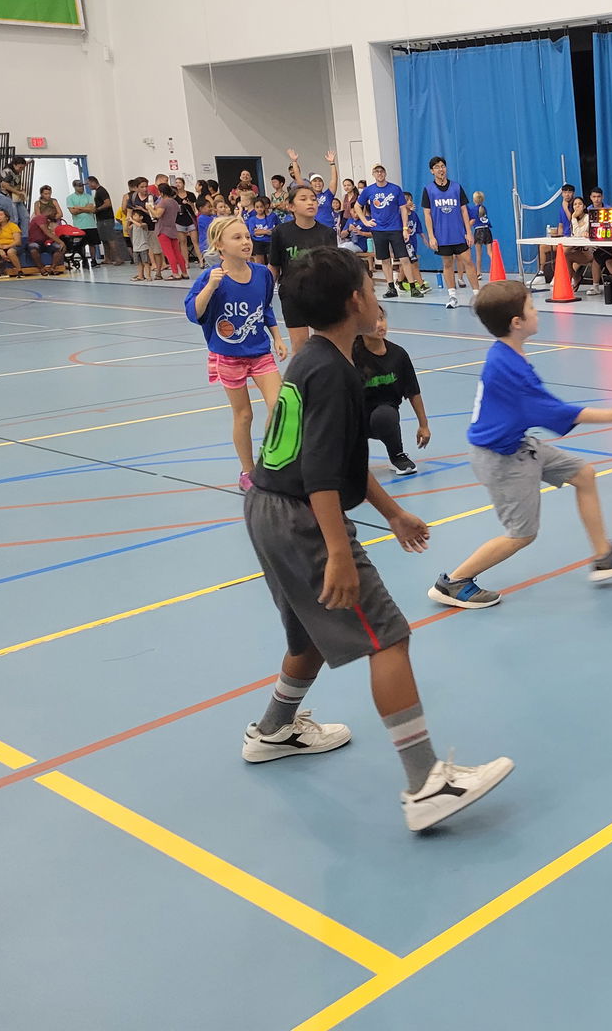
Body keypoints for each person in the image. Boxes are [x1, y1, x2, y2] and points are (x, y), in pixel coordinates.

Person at [242, 247, 513, 830]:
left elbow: (338, 456)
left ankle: (274, 730)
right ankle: (426, 786)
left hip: (266, 509)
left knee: (310, 634)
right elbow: (319, 473)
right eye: (370, 283)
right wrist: (339, 552)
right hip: (303, 519)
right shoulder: (336, 372)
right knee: (387, 637)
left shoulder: (315, 359)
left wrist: (391, 512)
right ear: (354, 301)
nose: (376, 290)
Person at [427, 280, 612, 610]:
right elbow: (555, 411)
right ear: (516, 323)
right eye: (532, 307)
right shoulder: (509, 370)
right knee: (522, 535)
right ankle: (454, 582)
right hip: (500, 458)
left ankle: (605, 555)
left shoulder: (509, 354)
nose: (538, 311)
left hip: (519, 444)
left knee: (584, 474)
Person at [186, 216, 288, 489]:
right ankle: (247, 471)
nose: (245, 242)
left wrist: (277, 336)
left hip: (260, 353)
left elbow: (264, 308)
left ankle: (269, 462)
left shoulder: (263, 274)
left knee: (279, 407)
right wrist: (210, 288)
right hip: (228, 356)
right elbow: (193, 313)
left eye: (246, 236)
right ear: (219, 244)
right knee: (243, 415)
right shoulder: (211, 277)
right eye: (237, 238)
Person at [355, 303, 430, 474]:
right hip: (353, 419)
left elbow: (413, 392)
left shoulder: (398, 355)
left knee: (385, 414)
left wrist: (423, 425)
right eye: (373, 321)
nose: (380, 325)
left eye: (381, 318)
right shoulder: (351, 355)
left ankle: (397, 456)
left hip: (382, 419)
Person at [271, 185, 338, 354]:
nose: (310, 203)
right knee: (300, 347)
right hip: (292, 295)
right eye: (303, 199)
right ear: (291, 206)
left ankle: (325, 380)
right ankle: (300, 380)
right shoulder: (281, 232)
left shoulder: (327, 233)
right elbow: (274, 266)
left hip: (321, 295)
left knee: (326, 345)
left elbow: (333, 267)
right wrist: (263, 297)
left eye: (313, 199)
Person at [356, 164, 426, 297]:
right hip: (378, 229)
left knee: (404, 258)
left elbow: (403, 209)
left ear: (385, 173)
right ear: (373, 174)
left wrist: (405, 228)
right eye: (376, 171)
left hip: (395, 228)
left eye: (381, 171)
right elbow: (357, 205)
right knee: (385, 259)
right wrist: (365, 221)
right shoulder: (369, 190)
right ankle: (391, 287)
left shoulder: (395, 189)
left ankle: (413, 287)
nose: (379, 173)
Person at [420, 156, 478, 309]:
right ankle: (453, 297)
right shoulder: (428, 190)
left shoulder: (456, 187)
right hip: (442, 236)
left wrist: (469, 232)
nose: (441, 169)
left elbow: (464, 210)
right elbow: (427, 215)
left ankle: (478, 296)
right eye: (437, 167)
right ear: (432, 171)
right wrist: (431, 236)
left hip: (459, 234)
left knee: (468, 262)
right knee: (447, 264)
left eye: (443, 166)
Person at [153, 182, 188, 280]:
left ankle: (175, 273)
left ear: (161, 193)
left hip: (163, 230)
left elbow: (157, 215)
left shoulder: (163, 202)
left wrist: (150, 209)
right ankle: (184, 272)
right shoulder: (174, 202)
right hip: (173, 229)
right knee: (177, 252)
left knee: (169, 253)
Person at [244, 195, 278, 266]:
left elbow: (274, 230)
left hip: (269, 241)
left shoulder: (271, 217)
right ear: (254, 208)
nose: (259, 209)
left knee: (271, 261)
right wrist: (266, 231)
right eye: (257, 207)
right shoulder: (252, 219)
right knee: (260, 262)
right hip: (258, 242)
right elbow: (253, 232)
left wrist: (260, 231)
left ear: (264, 207)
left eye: (261, 207)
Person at [125, 206, 155, 281]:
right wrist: (128, 221)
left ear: (141, 217)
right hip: (135, 247)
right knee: (138, 263)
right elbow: (127, 229)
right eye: (133, 215)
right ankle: (140, 276)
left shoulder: (144, 224)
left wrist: (132, 220)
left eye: (135, 215)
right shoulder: (133, 225)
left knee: (145, 262)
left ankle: (148, 276)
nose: (133, 217)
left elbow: (140, 225)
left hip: (143, 247)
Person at [467, 190, 492, 279]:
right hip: (487, 230)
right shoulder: (484, 208)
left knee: (479, 254)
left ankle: (478, 273)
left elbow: (471, 220)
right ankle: (496, 268)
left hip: (478, 231)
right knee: (490, 252)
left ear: (474, 200)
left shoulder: (472, 209)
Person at [0, 208, 22, 276]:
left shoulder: (13, 226)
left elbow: (18, 241)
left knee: (10, 252)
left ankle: (19, 270)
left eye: (1, 215)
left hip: (12, 245)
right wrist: (1, 250)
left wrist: (8, 246)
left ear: (6, 217)